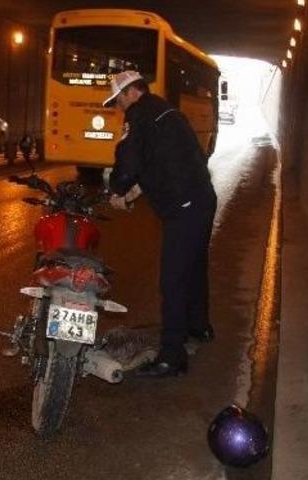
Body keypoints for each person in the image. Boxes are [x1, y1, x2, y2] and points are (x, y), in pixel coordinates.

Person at [103, 70, 217, 378]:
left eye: (117, 101)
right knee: (193, 268)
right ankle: (199, 327)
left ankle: (171, 357)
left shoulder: (139, 115)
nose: (117, 108)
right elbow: (161, 162)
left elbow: (128, 160)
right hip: (201, 199)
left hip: (184, 207)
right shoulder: (166, 112)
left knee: (172, 281)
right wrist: (137, 190)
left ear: (130, 94)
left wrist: (117, 190)